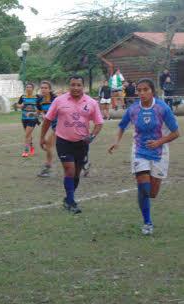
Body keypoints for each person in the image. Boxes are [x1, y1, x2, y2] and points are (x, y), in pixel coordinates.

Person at [108, 78, 180, 235]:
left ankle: (145, 195)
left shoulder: (162, 108)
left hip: (160, 152)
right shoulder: (133, 109)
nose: (141, 93)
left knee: (152, 193)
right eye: (139, 90)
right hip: (139, 151)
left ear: (152, 91)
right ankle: (147, 222)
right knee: (143, 186)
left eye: (145, 89)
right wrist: (116, 142)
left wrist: (159, 142)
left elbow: (176, 133)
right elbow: (121, 127)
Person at [40, 75, 104, 213]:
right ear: (69, 86)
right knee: (69, 170)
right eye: (73, 85)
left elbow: (99, 123)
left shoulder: (91, 102)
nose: (75, 88)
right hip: (63, 141)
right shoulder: (59, 101)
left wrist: (92, 136)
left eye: (78, 85)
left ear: (83, 86)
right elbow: (47, 120)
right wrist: (42, 137)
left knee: (76, 174)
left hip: (82, 143)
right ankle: (71, 202)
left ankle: (68, 199)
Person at [37, 81, 57, 177]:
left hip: (62, 126)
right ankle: (84, 163)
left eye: (45, 88)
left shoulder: (55, 99)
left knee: (49, 144)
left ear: (50, 89)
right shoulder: (40, 101)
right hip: (54, 126)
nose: (43, 89)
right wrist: (42, 115)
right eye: (42, 88)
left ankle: (47, 167)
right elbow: (43, 115)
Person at [17, 83, 39, 157]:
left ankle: (26, 151)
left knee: (27, 135)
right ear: (25, 88)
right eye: (27, 87)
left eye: (30, 87)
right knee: (28, 135)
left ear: (33, 89)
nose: (28, 88)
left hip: (33, 119)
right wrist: (21, 106)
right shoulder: (23, 97)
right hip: (24, 118)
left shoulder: (36, 97)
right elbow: (18, 105)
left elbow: (40, 107)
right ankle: (32, 147)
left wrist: (38, 113)